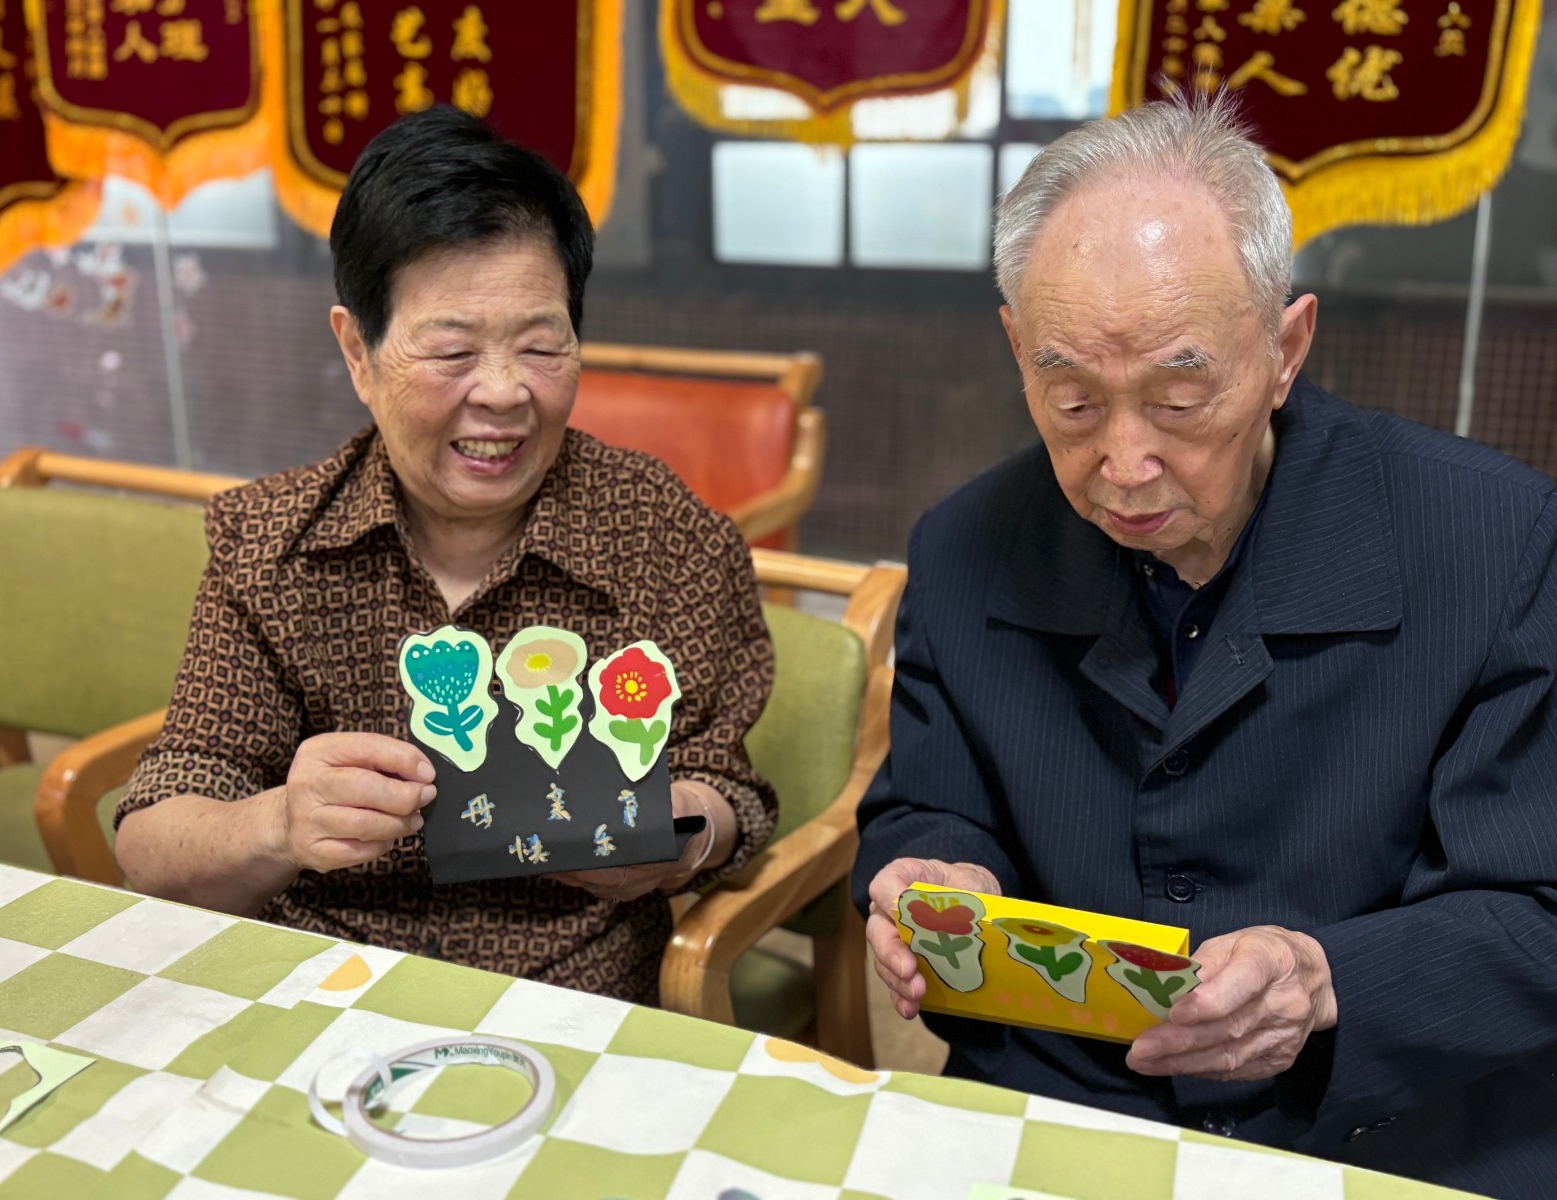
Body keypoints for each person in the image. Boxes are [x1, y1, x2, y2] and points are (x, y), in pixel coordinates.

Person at [852, 95, 1557, 1198]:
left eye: (1180, 398)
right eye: (1072, 400)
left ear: (1285, 349)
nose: (1125, 463)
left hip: (1382, 1123)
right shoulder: (964, 547)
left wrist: (1324, 979)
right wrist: (941, 871)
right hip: (1063, 1099)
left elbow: (1536, 913)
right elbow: (927, 805)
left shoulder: (1493, 541)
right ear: (1016, 349)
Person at [115, 105, 777, 1004]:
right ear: (358, 351)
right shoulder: (272, 548)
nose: (503, 393)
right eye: (453, 350)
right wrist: (279, 823)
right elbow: (152, 835)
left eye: (541, 346)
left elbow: (732, 792)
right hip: (323, 986)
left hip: (569, 998)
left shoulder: (666, 536)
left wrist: (677, 837)